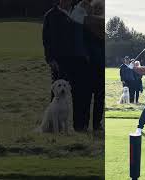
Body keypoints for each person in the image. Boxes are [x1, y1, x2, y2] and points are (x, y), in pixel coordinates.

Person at [42, 0, 91, 132]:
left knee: (81, 94)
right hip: (60, 60)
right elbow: (46, 39)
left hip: (79, 59)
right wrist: (50, 58)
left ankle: (80, 126)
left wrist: (87, 54)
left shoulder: (80, 12)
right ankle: (53, 128)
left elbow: (86, 35)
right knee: (57, 92)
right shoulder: (51, 15)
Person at [84, 0, 105, 132]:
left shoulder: (88, 21)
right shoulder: (88, 22)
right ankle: (92, 125)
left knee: (97, 97)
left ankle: (94, 124)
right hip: (91, 65)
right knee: (92, 97)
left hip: (97, 66)